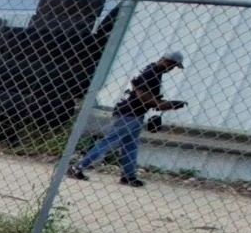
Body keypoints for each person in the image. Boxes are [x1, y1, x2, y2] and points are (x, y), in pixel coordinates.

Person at [68, 51, 186, 187]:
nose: (171, 69)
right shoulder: (151, 73)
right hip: (129, 113)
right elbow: (142, 95)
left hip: (134, 113)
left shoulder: (152, 71)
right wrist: (164, 104)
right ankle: (78, 167)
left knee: (130, 146)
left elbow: (145, 96)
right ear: (166, 61)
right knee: (109, 142)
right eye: (172, 65)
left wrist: (164, 103)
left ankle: (128, 176)